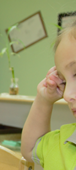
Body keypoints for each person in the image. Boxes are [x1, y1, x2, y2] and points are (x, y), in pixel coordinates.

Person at [21, 21, 76, 169]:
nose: (67, 94)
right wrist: (43, 100)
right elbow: (30, 150)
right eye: (63, 81)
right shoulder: (64, 140)